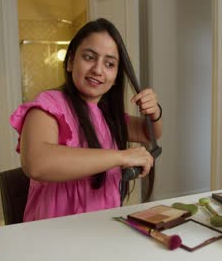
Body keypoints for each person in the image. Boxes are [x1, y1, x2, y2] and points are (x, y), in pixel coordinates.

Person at [10, 18, 162, 221]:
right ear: (71, 61)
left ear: (116, 76)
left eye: (109, 64)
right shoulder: (48, 105)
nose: (98, 70)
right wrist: (121, 156)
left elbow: (148, 132)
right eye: (89, 57)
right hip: (52, 237)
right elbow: (36, 163)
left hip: (101, 230)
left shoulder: (108, 116)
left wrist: (155, 112)